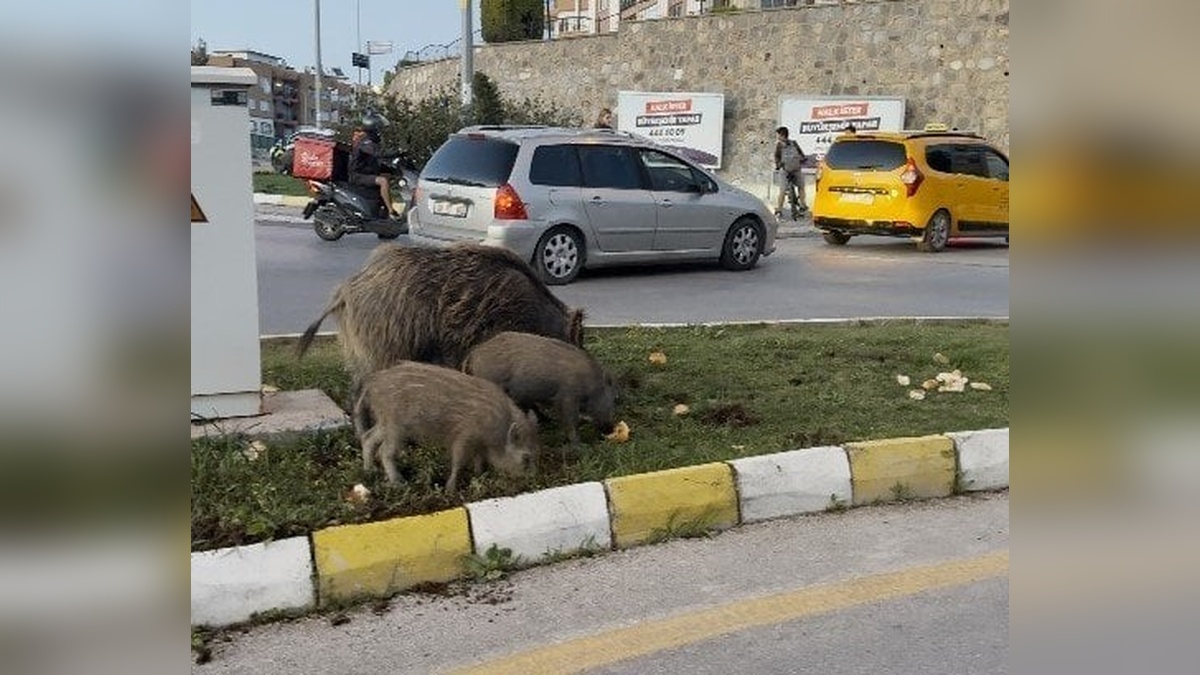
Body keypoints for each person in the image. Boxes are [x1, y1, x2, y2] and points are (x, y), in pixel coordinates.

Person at [349, 112, 400, 219]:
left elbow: (375, 160)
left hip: (366, 173)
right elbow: (378, 153)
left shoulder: (371, 141)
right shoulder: (365, 142)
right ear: (373, 129)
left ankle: (383, 214)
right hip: (358, 175)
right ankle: (391, 211)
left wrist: (393, 169)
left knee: (388, 176)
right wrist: (397, 151)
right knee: (383, 181)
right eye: (379, 129)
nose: (380, 132)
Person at [773, 125, 807, 218]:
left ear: (782, 135)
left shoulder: (779, 145)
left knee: (782, 190)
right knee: (801, 187)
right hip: (796, 169)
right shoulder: (794, 143)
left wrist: (778, 166)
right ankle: (803, 205)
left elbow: (776, 157)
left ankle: (779, 210)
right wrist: (803, 160)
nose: (778, 137)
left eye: (778, 135)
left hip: (785, 170)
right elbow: (802, 154)